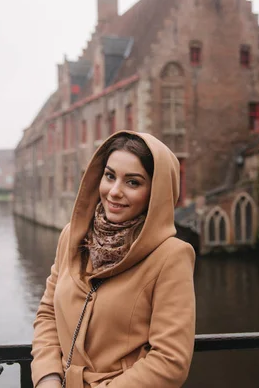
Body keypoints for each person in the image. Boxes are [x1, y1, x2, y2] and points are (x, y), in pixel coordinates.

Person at [31, 131, 196, 388]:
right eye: (110, 176)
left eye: (133, 182)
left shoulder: (171, 256)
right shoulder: (71, 238)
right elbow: (48, 314)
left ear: (155, 192)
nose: (114, 192)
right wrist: (47, 377)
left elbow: (169, 360)